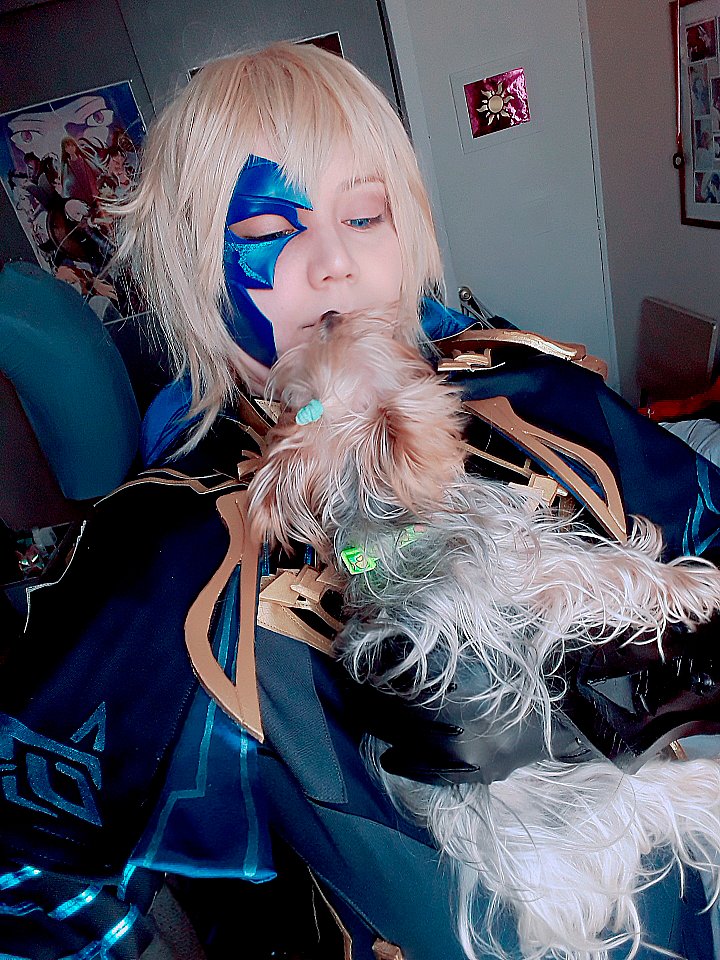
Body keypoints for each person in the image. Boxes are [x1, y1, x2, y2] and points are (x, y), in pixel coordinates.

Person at [1, 41, 719, 960]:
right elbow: (26, 862)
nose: (334, 262)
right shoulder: (166, 550)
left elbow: (705, 528)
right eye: (268, 230)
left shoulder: (529, 390)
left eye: (365, 215)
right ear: (190, 265)